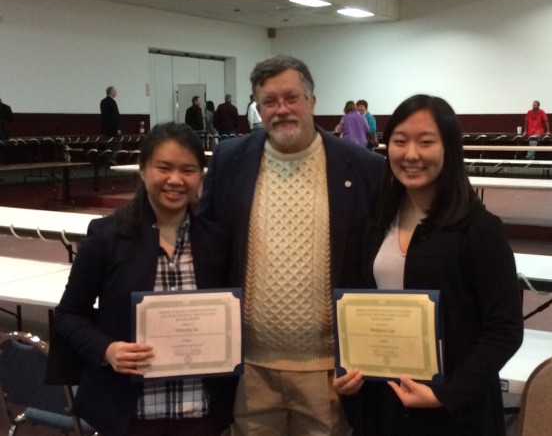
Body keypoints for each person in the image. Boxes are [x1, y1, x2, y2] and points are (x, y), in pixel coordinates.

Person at [198, 55, 384, 435]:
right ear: (258, 107)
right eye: (269, 101)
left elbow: (378, 266)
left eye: (291, 98)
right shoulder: (230, 160)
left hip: (327, 370)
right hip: (249, 367)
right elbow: (209, 248)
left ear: (312, 101)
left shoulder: (364, 168)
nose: (281, 109)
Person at [333, 94, 524, 436]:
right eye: (400, 141)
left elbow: (505, 330)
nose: (411, 155)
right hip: (384, 405)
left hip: (455, 415)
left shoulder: (479, 229)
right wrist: (348, 369)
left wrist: (446, 394)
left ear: (449, 149)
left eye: (426, 142)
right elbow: (357, 307)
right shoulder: (376, 222)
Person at [53, 122, 237, 436]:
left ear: (201, 177)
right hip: (131, 415)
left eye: (188, 170)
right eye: (163, 167)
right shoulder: (106, 237)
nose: (176, 180)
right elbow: (68, 315)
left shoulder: (216, 240)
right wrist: (106, 349)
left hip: (202, 413)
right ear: (142, 170)